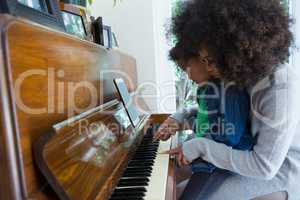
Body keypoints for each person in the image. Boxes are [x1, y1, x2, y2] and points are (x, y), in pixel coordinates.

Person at [154, 0, 300, 199]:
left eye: (210, 60)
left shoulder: (279, 85)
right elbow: (217, 117)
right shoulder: (232, 70)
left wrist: (201, 147)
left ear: (237, 45)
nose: (209, 68)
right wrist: (179, 118)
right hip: (240, 151)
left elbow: (264, 166)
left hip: (280, 169)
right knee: (166, 181)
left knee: (177, 194)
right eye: (203, 59)